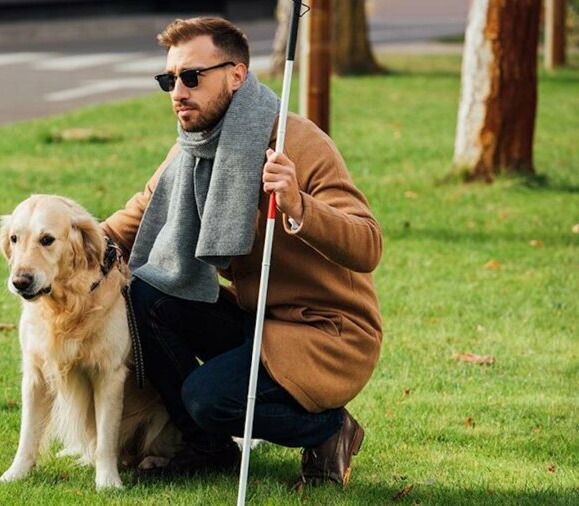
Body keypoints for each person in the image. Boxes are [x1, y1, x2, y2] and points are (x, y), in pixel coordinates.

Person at [101, 17, 382, 488]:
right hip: (259, 319)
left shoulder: (297, 143)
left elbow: (368, 244)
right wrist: (66, 243)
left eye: (192, 77)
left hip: (325, 332)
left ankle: (331, 428)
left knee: (209, 398)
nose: (178, 92)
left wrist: (298, 204)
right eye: (169, 80)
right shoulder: (191, 149)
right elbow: (134, 217)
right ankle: (207, 448)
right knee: (146, 292)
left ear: (237, 75)